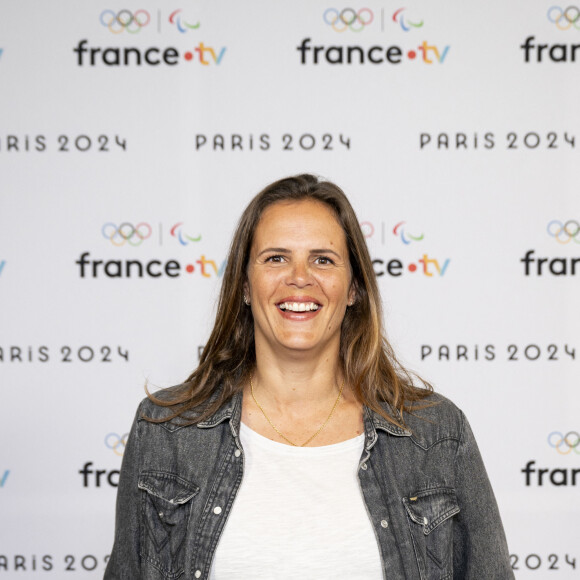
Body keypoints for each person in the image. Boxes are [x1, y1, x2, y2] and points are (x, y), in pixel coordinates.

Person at [105, 174, 514, 579]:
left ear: (353, 287)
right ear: (245, 285)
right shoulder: (166, 430)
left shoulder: (436, 434)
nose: (299, 277)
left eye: (323, 259)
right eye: (276, 258)